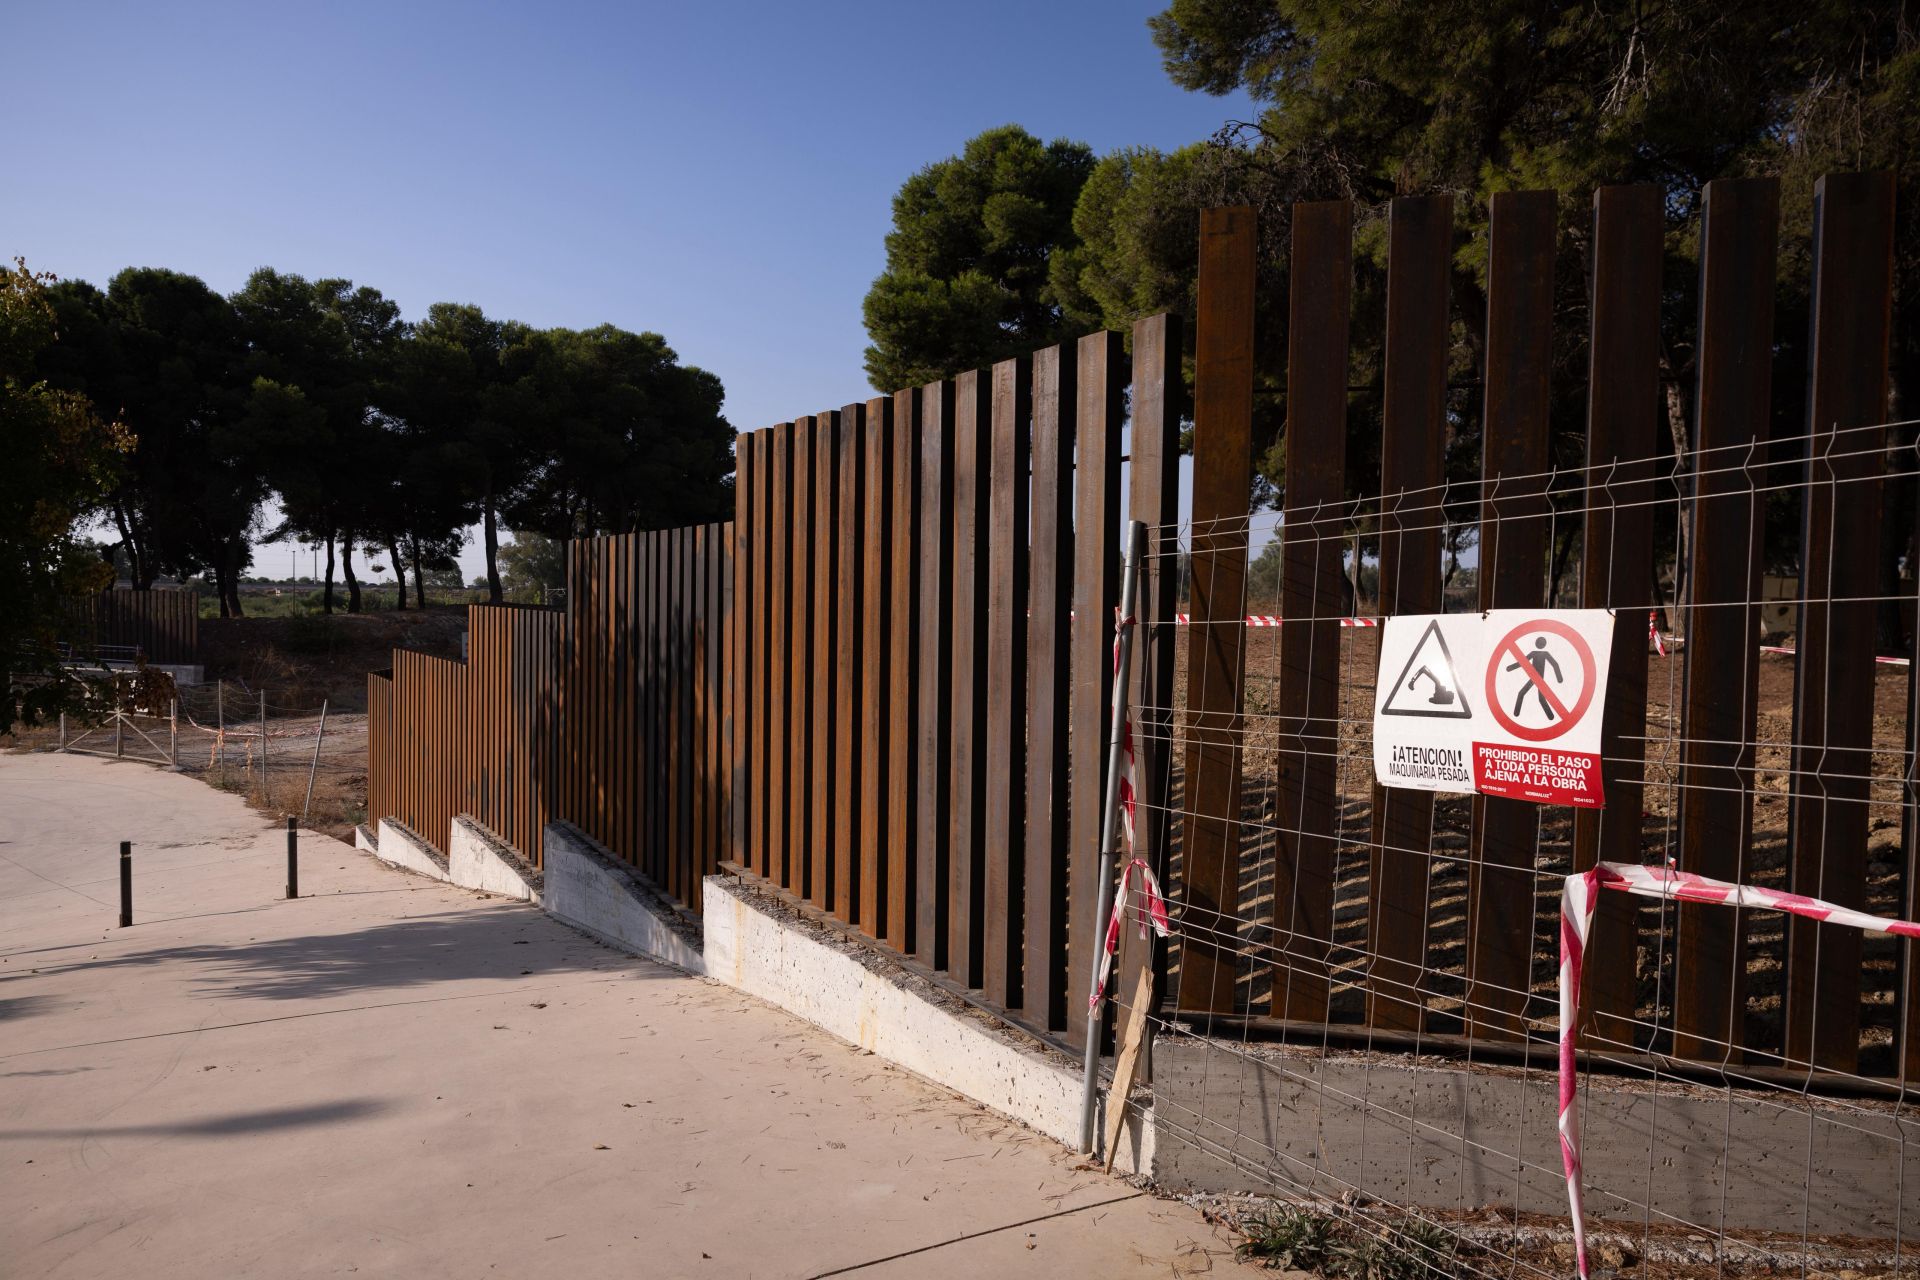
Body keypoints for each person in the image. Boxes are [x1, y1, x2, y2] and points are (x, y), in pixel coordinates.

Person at [1507, 636, 1563, 720]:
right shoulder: (1542, 653)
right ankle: (1551, 716)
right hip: (1536, 678)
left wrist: (1510, 668)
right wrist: (1559, 678)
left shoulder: (1538, 653)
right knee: (1539, 698)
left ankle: (1550, 717)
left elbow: (1522, 662)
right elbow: (1555, 664)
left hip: (1537, 678)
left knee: (1524, 694)